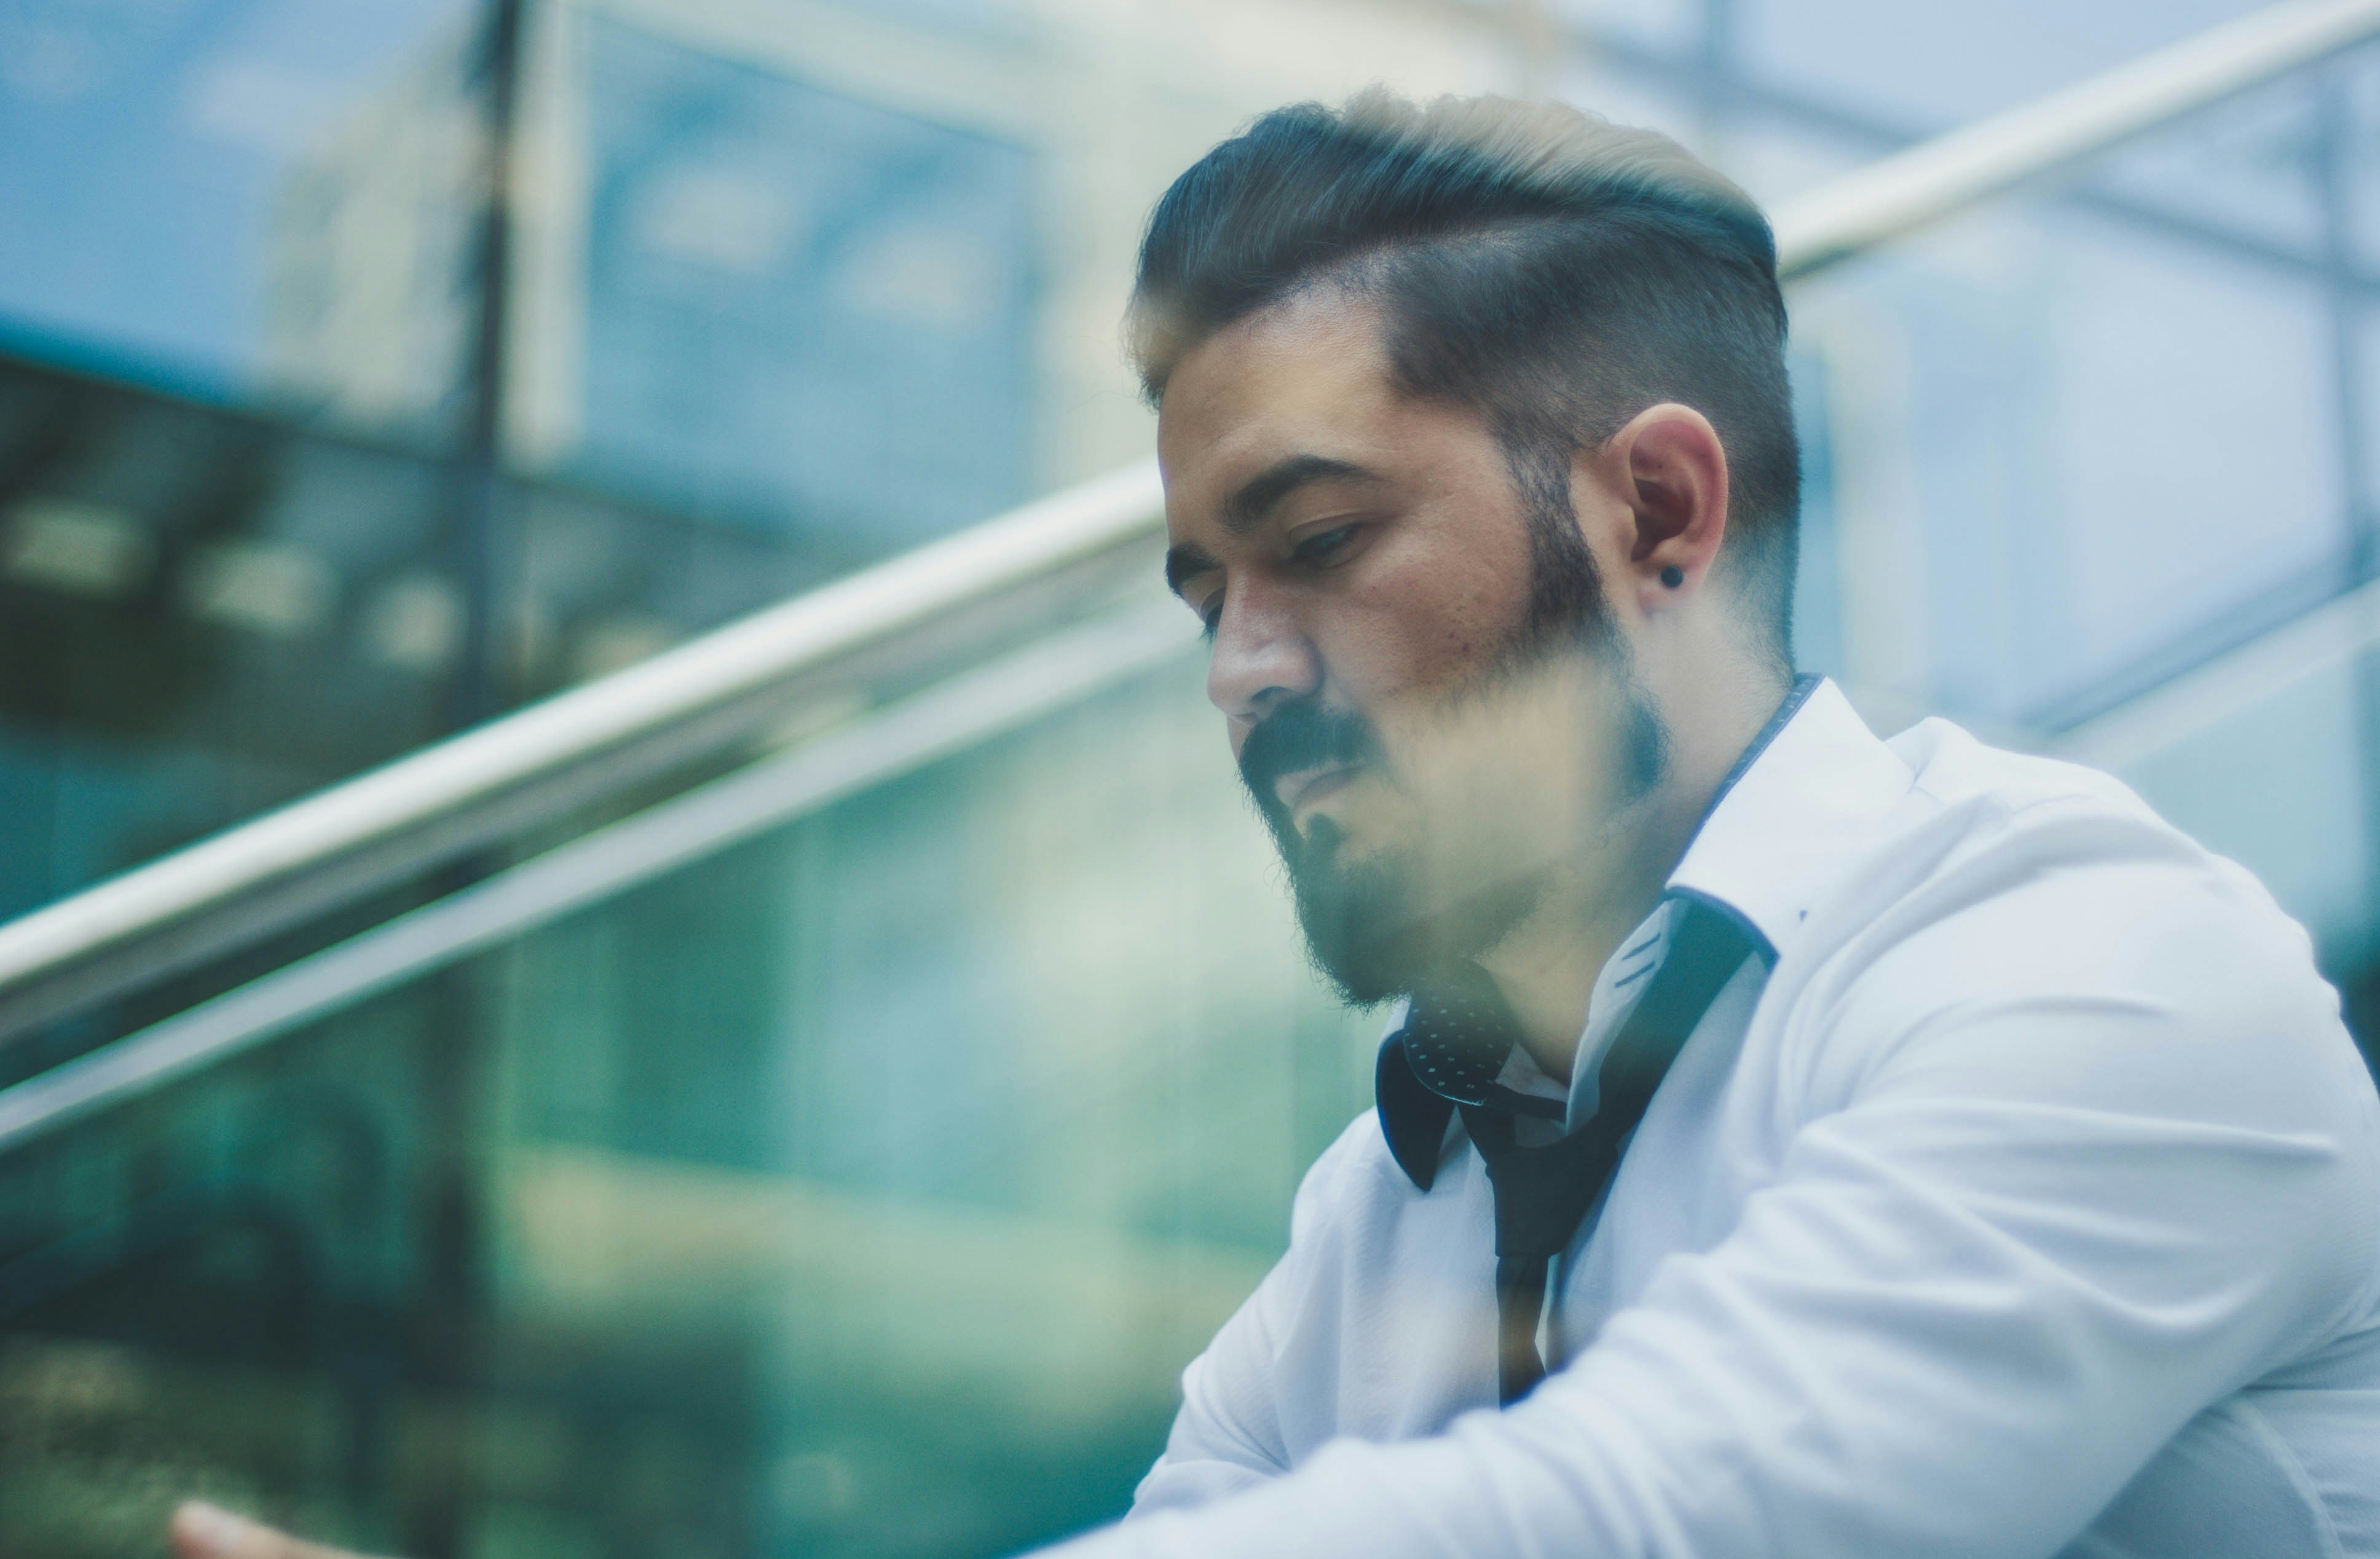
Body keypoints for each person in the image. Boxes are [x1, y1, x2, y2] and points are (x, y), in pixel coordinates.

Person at [172, 91, 2380, 1559]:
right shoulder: (1384, 1213)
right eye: (1203, 587)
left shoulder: (2092, 968)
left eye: (1316, 540)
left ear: (1659, 513)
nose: (1238, 668)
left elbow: (1649, 1516)